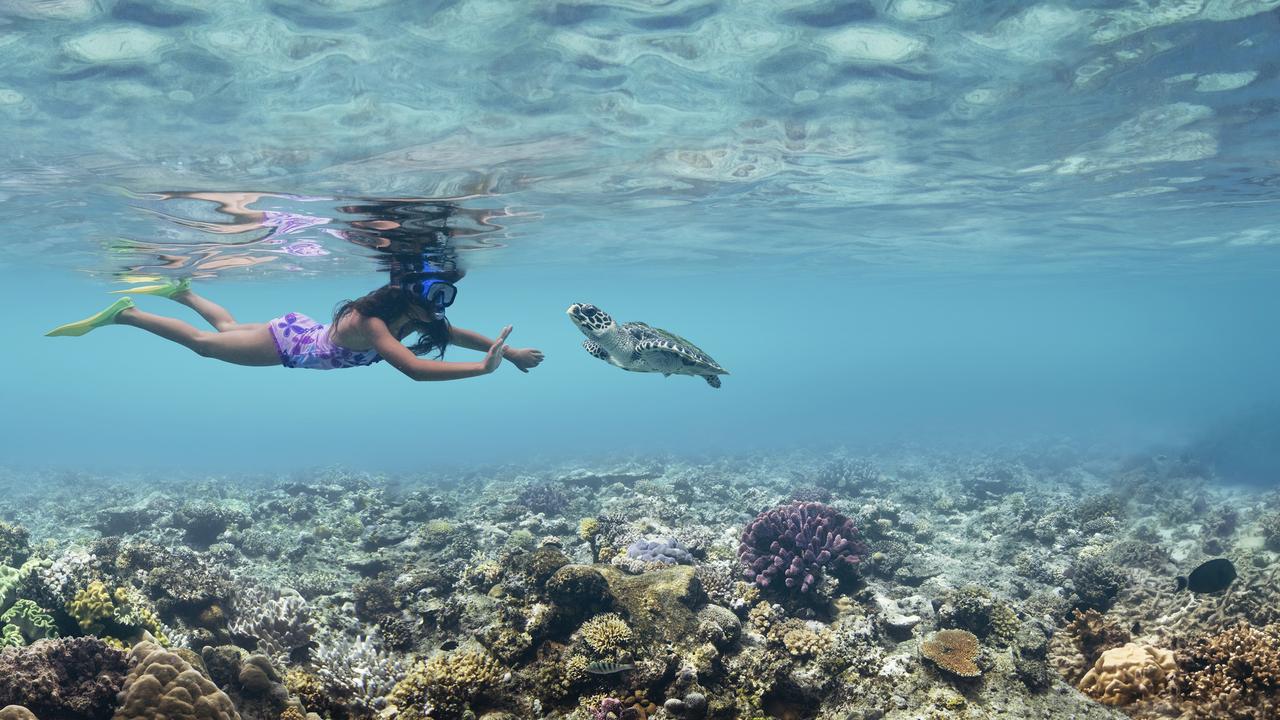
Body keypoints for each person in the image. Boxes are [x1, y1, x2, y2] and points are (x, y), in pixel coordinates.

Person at [44, 278, 545, 381]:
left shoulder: (410, 313)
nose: (434, 314)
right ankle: (125, 315)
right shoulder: (375, 324)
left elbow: (453, 333)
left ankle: (182, 291)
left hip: (302, 333)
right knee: (205, 346)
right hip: (293, 345)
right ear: (405, 299)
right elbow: (412, 369)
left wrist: (513, 349)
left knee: (228, 325)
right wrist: (483, 369)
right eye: (428, 304)